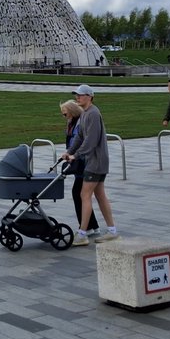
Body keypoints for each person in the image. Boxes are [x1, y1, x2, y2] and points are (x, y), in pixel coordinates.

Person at [60, 85, 120, 245]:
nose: (77, 98)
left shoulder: (93, 113)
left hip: (96, 161)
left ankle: (82, 234)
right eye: (76, 95)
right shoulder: (85, 114)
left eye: (80, 95)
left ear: (89, 97)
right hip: (95, 161)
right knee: (100, 196)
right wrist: (69, 151)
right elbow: (79, 137)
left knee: (84, 195)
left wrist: (76, 155)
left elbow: (91, 141)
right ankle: (112, 231)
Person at [60, 99, 99, 235]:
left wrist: (73, 154)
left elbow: (81, 142)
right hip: (79, 162)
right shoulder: (72, 123)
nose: (64, 117)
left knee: (79, 194)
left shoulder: (79, 124)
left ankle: (86, 227)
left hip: (83, 162)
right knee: (82, 194)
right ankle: (93, 226)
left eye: (65, 114)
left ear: (72, 112)